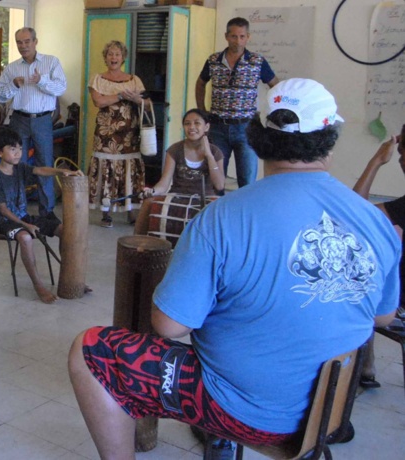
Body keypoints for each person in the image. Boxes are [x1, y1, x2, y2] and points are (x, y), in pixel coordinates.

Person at [68, 78, 400, 460]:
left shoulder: (221, 218)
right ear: (330, 136)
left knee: (91, 350)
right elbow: (384, 315)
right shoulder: (374, 220)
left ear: (257, 136)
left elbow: (170, 326)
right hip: (330, 410)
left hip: (239, 412)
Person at [0, 128, 83, 304]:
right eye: (12, 149)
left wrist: (62, 172)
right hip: (2, 222)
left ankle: (69, 278)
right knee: (25, 238)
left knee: (63, 230)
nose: (18, 153)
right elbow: (3, 210)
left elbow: (40, 170)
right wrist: (26, 226)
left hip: (23, 218)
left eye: (20, 149)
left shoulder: (20, 168)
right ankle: (38, 285)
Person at [195, 17, 279, 188]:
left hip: (246, 127)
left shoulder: (257, 61)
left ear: (248, 37)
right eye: (234, 36)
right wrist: (202, 111)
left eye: (242, 36)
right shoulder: (214, 60)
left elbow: (275, 86)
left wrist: (270, 112)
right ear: (226, 36)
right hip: (218, 126)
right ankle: (216, 212)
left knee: (247, 180)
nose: (238, 41)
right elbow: (201, 83)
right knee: (215, 178)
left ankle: (245, 214)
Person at [0, 27, 67, 218]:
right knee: (17, 165)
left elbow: (60, 88)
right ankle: (19, 210)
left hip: (43, 120)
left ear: (36, 42)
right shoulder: (12, 68)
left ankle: (47, 211)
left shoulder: (51, 62)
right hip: (19, 120)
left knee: (45, 163)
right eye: (19, 42)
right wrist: (14, 85)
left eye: (27, 41)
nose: (23, 46)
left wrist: (41, 81)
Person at [352, 133, 405, 389]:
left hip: (399, 304)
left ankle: (366, 365)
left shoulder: (401, 208)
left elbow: (356, 209)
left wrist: (375, 161)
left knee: (359, 281)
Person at [86, 40, 150, 227]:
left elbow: (148, 105)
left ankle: (130, 210)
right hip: (106, 135)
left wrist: (136, 99)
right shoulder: (97, 79)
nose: (114, 57)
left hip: (129, 134)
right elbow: (99, 102)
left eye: (117, 54)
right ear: (105, 57)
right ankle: (106, 213)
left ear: (123, 58)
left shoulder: (134, 80)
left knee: (129, 169)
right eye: (110, 54)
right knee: (106, 169)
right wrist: (122, 95)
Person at [145, 109, 225, 197]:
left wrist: (209, 156)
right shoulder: (174, 150)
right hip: (177, 198)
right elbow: (164, 183)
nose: (191, 127)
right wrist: (152, 191)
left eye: (197, 123)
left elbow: (220, 186)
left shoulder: (215, 152)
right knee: (148, 202)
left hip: (205, 200)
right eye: (187, 123)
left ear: (206, 127)